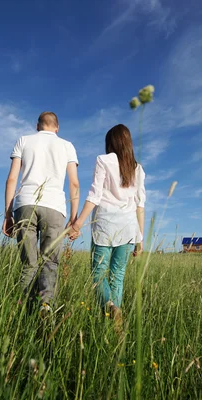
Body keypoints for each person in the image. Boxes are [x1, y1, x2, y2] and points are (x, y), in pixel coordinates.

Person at [3, 111, 80, 318]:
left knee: (29, 264)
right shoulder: (67, 145)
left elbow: (12, 179)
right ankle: (45, 307)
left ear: (38, 126)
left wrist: (7, 214)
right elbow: (74, 183)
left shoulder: (23, 141)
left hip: (25, 203)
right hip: (55, 207)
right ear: (57, 127)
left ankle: (22, 314)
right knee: (50, 262)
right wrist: (74, 219)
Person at [70, 124, 145, 328]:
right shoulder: (138, 169)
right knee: (117, 277)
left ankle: (110, 307)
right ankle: (113, 321)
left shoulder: (103, 160)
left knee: (98, 273)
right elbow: (140, 205)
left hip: (105, 226)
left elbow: (95, 195)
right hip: (129, 228)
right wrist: (140, 238)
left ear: (110, 142)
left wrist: (78, 223)